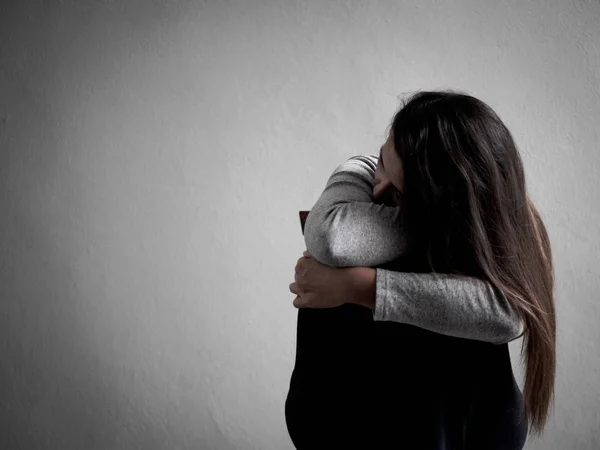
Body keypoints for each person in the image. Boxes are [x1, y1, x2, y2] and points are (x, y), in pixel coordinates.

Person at [286, 90, 555, 449]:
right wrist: (361, 167)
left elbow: (509, 314)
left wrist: (358, 286)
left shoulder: (511, 229)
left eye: (397, 194)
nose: (376, 189)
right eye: (382, 159)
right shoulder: (369, 177)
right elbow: (333, 237)